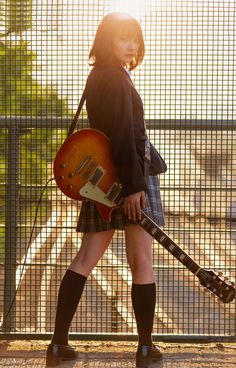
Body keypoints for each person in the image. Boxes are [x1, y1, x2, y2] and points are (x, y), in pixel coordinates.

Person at [46, 12, 165, 368]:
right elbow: (127, 135)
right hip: (129, 178)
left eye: (135, 38)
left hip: (102, 180)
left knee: (85, 258)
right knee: (141, 261)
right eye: (123, 37)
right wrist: (134, 187)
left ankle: (57, 344)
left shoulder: (100, 75)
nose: (132, 44)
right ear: (107, 41)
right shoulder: (115, 78)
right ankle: (145, 348)